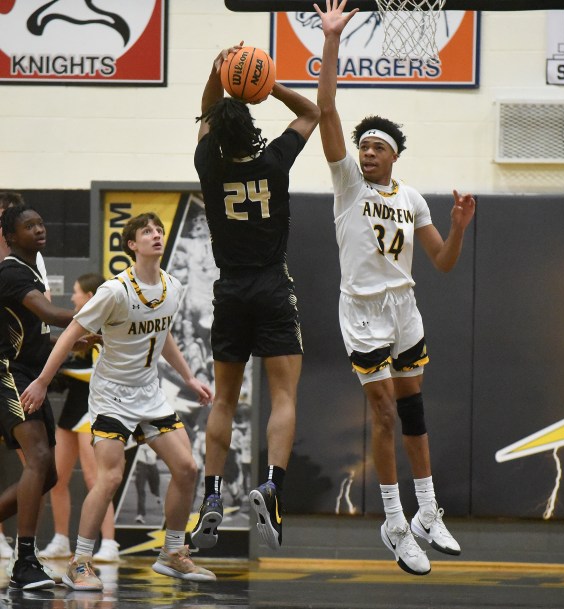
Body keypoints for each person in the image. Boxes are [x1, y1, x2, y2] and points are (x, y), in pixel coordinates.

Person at [314, 0, 476, 576]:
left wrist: (456, 229)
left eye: (377, 146)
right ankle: (393, 520)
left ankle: (429, 510)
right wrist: (332, 39)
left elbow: (443, 263)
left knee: (414, 413)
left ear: (395, 155)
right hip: (361, 311)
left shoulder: (412, 199)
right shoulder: (348, 183)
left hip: (405, 307)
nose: (367, 151)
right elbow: (327, 107)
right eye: (364, 146)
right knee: (381, 415)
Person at [21, 212, 216, 591]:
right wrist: (43, 382)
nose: (156, 235)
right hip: (112, 396)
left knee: (188, 467)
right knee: (109, 477)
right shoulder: (115, 291)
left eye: (159, 230)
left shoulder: (171, 286)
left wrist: (189, 377)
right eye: (147, 231)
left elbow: (164, 335)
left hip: (150, 395)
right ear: (132, 245)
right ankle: (79, 563)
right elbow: (69, 334)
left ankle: (173, 553)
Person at [190, 43, 320, 551]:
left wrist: (215, 71)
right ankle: (272, 485)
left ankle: (213, 494)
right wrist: (269, 86)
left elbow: (205, 113)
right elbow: (312, 112)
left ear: (216, 135)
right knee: (284, 395)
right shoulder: (275, 161)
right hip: (271, 284)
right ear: (251, 130)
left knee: (224, 398)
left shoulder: (208, 163)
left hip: (230, 288)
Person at [0, 204, 76, 589]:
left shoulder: (30, 270)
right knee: (40, 456)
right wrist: (100, 311)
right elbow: (47, 312)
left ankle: (25, 559)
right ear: (11, 237)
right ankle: (24, 560)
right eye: (29, 226)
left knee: (47, 474)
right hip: (8, 373)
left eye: (41, 222)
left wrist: (77, 342)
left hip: (31, 374)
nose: (39, 229)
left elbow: (38, 332)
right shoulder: (12, 271)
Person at [39, 273, 120, 563]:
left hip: (92, 409)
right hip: (71, 410)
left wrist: (60, 372)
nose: (72, 297)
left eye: (76, 292)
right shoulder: (79, 324)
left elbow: (94, 372)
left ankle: (109, 543)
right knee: (56, 478)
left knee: (94, 478)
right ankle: (61, 539)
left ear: (89, 296)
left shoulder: (103, 324)